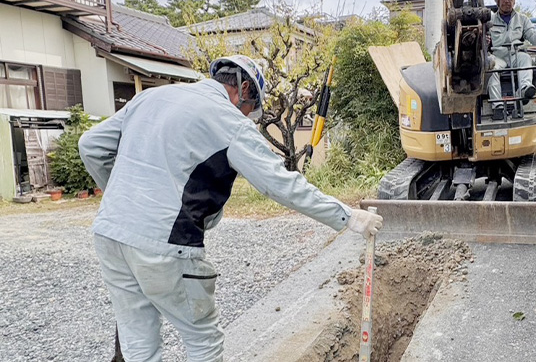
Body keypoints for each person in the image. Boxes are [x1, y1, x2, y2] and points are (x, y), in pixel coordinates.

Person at [79, 54, 383, 362]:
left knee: (139, 345)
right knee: (202, 341)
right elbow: (281, 184)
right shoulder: (227, 119)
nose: (249, 116)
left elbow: (90, 145)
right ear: (245, 89)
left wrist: (120, 199)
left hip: (110, 235)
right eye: (252, 109)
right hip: (166, 243)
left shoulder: (150, 97)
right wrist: (348, 216)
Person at [488, 0, 536, 120]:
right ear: (497, 1)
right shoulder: (490, 20)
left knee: (526, 59)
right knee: (492, 67)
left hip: (516, 54)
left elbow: (533, 38)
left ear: (514, 0)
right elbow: (482, 39)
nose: (507, 1)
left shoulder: (522, 19)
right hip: (498, 55)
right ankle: (497, 106)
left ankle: (524, 91)